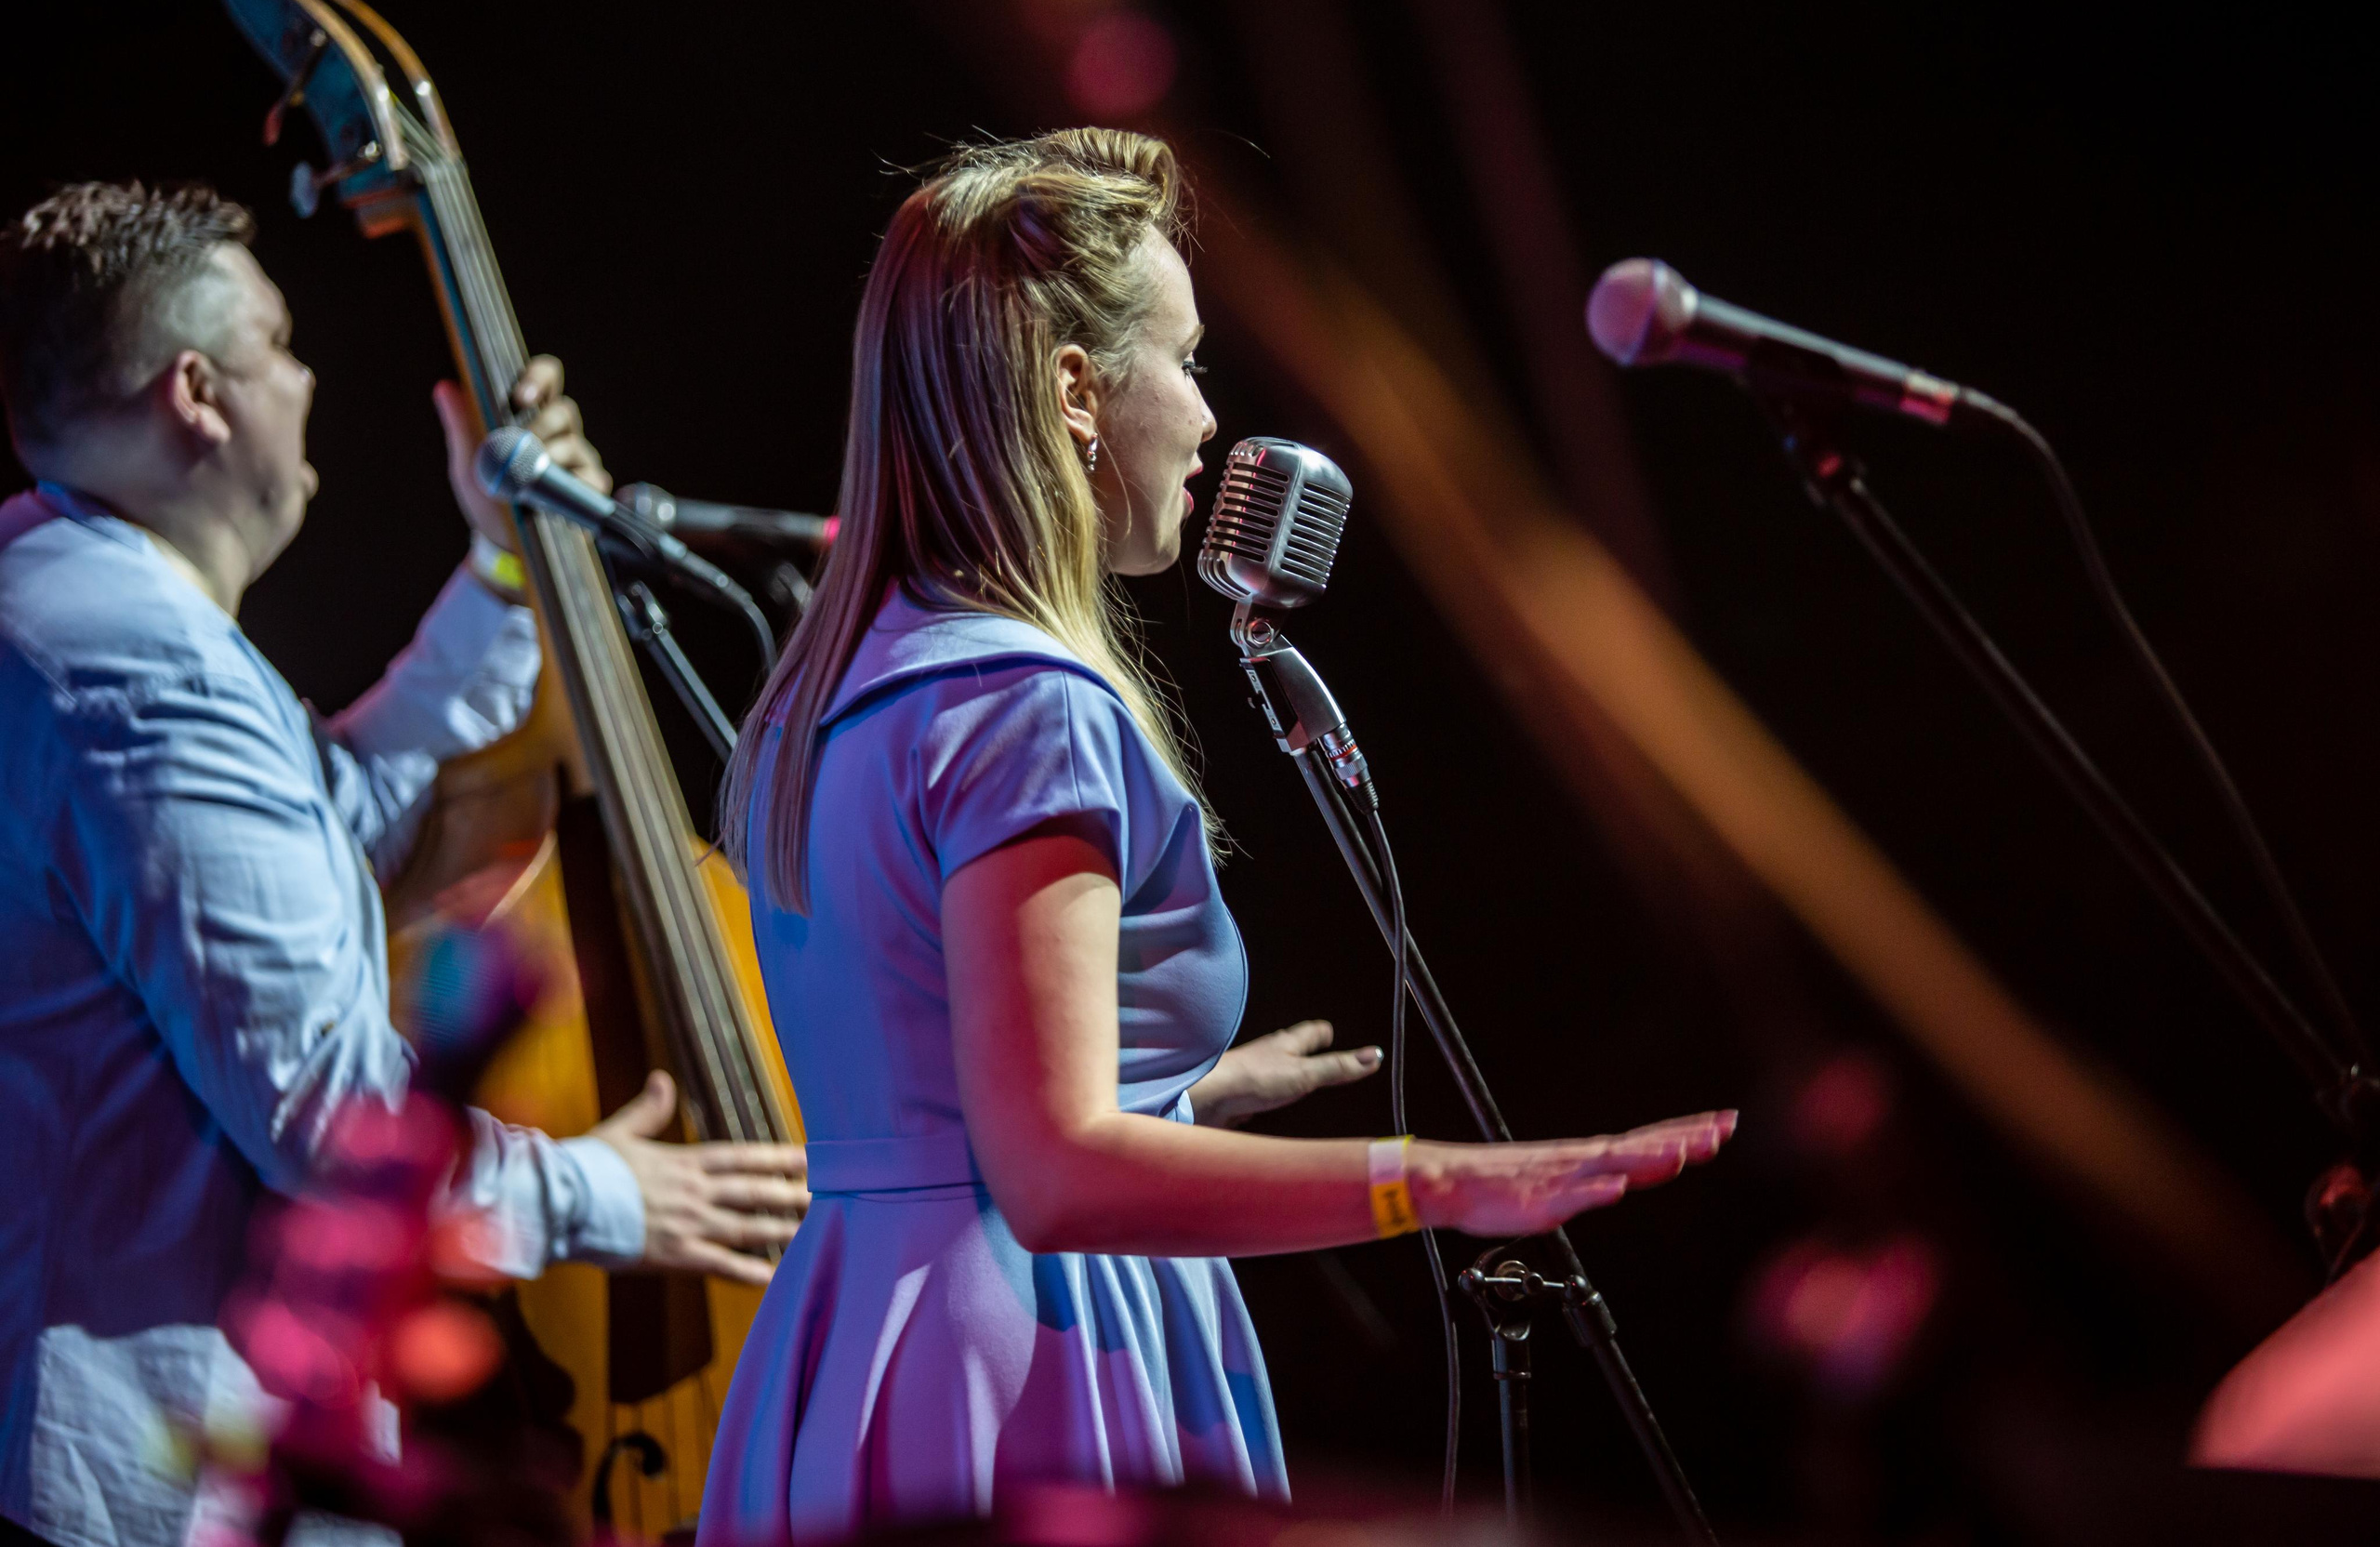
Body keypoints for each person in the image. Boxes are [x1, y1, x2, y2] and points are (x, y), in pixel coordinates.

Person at [697, 128, 1736, 1543]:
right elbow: (1052, 1174)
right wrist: (1444, 1180)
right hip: (1029, 1362)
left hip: (860, 1344)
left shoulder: (846, 687)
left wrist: (1183, 1095)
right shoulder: (1026, 704)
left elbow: (934, 1082)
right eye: (1183, 362)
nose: (1205, 420)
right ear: (1075, 389)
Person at [0, 181, 807, 1547]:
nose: (309, 379)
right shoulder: (137, 670)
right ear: (197, 393)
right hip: (153, 1483)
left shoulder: (73, 606)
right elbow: (327, 1114)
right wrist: (608, 1196)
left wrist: (506, 571)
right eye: (280, 345)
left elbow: (333, 811)